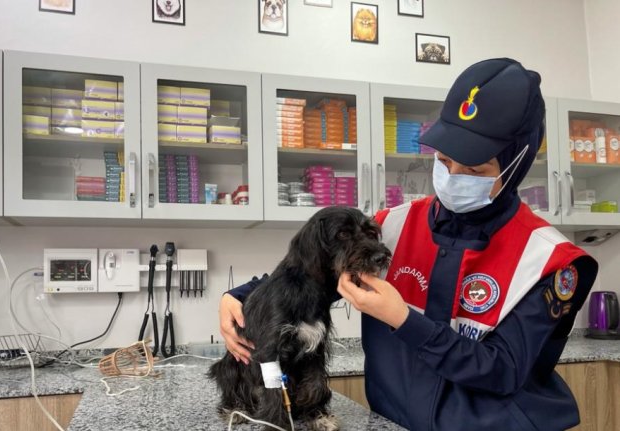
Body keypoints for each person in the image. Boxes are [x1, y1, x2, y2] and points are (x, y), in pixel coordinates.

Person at [219, 58, 598, 431]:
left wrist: (403, 320)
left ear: (517, 165)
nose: (453, 175)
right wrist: (238, 296)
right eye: (444, 160)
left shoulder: (549, 260)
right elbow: (307, 277)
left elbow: (502, 371)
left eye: (474, 169)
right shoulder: (390, 227)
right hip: (393, 422)